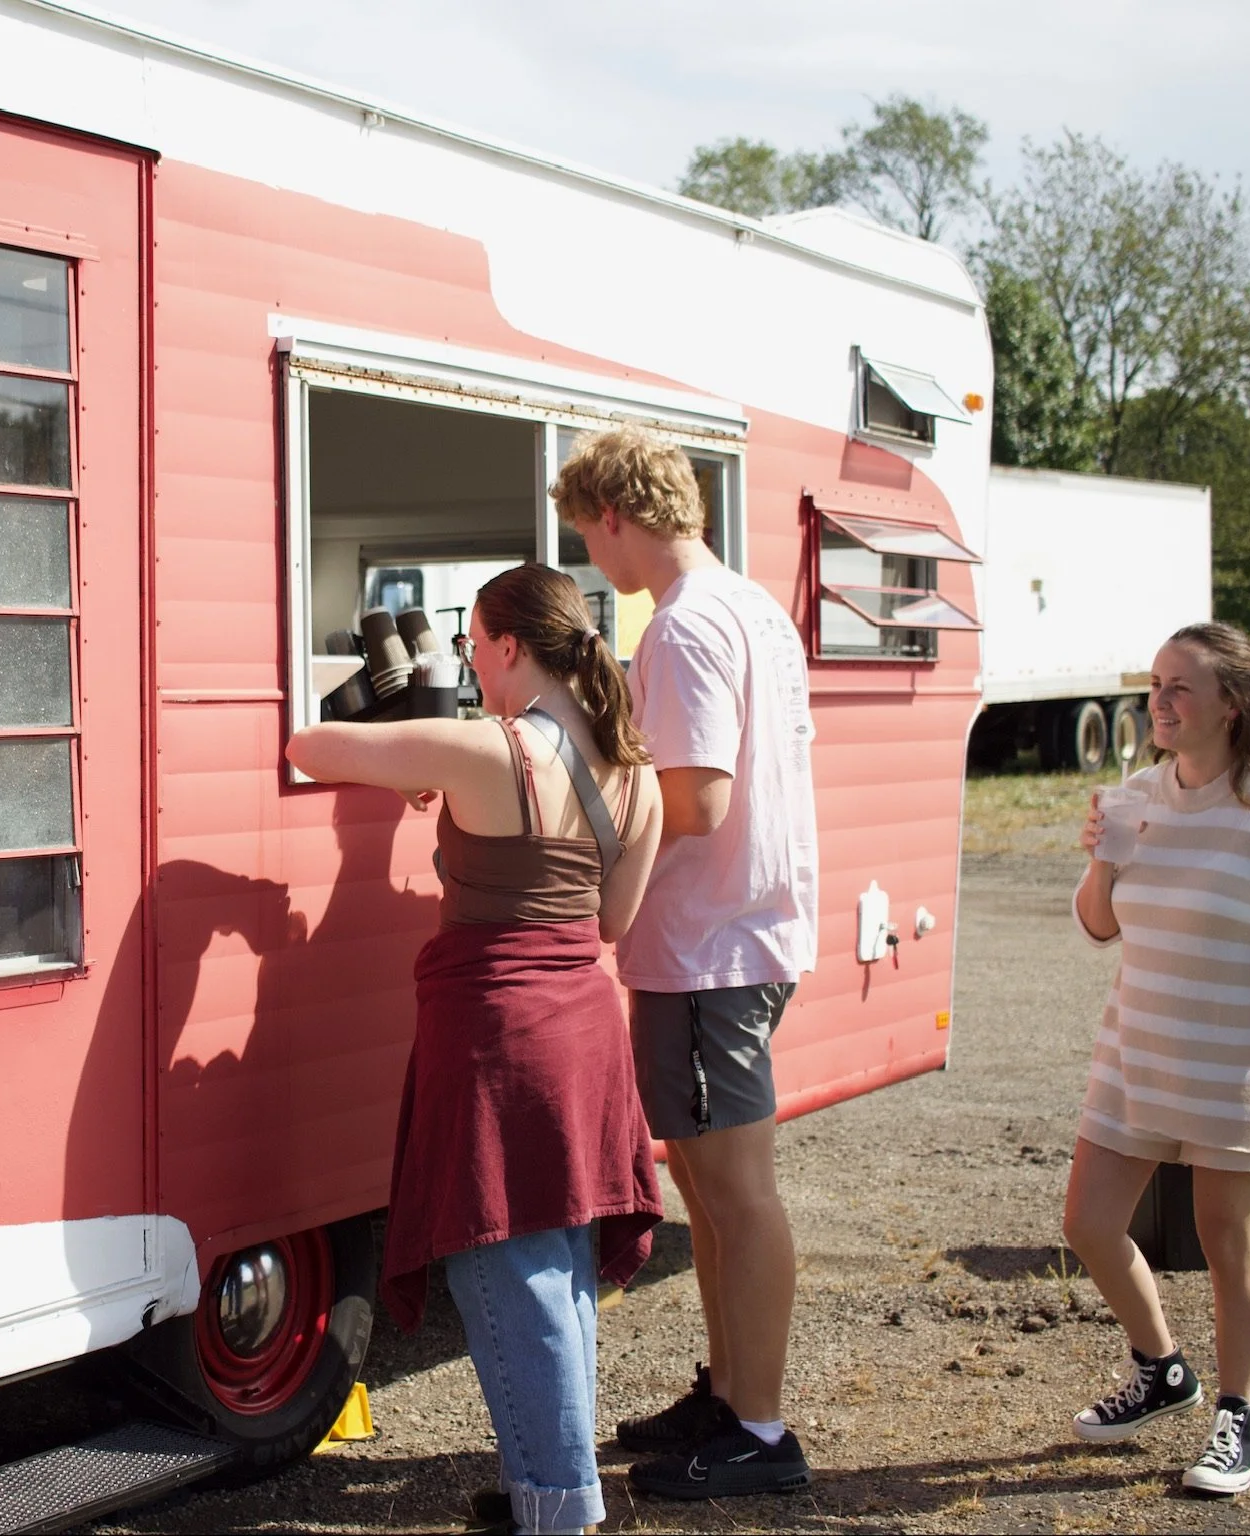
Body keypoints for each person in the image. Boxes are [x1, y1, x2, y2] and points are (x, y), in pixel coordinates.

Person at [286, 563, 664, 1536]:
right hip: (586, 1034)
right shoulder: (637, 772)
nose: (471, 666)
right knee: (562, 1266)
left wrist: (427, 751)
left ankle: (558, 1511)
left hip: (502, 1040)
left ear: (506, 646)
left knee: (502, 1269)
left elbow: (307, 744)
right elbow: (611, 922)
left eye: (472, 649)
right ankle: (554, 1492)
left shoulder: (489, 748)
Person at [551, 426, 819, 1499]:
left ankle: (760, 1433)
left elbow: (697, 799)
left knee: (736, 1193)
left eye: (586, 532)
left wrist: (584, 823)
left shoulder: (684, 625)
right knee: (707, 1190)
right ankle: (731, 1395)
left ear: (615, 514)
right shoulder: (749, 605)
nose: (589, 555)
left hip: (708, 947)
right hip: (737, 936)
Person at [1063, 621, 1250, 1496]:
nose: (1159, 701)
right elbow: (1098, 927)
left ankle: (1237, 1420)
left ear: (1232, 703)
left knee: (1226, 1240)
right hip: (1136, 1052)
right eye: (1155, 684)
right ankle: (1162, 1369)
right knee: (1088, 1225)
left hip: (1235, 1066)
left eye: (1180, 687)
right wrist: (1103, 859)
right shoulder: (1137, 795)